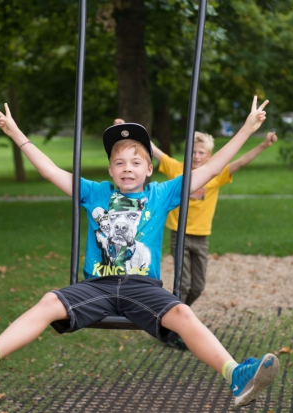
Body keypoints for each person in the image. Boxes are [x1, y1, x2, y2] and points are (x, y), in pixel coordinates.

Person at [0, 97, 279, 407]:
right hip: (97, 286)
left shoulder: (162, 193)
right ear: (110, 169)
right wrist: (16, 133)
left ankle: (235, 375)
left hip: (142, 287)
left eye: (136, 162)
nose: (127, 168)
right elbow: (49, 170)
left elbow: (211, 169)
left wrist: (247, 129)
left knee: (183, 314)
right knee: (49, 302)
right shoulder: (94, 192)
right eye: (119, 162)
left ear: (149, 169)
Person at [113, 121, 277, 308]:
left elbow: (241, 161)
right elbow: (154, 150)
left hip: (201, 236)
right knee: (182, 285)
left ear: (209, 156)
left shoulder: (215, 174)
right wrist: (129, 130)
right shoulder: (177, 169)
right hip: (179, 235)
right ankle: (175, 319)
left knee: (198, 287)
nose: (196, 156)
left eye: (201, 152)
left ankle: (179, 313)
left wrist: (264, 145)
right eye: (193, 152)